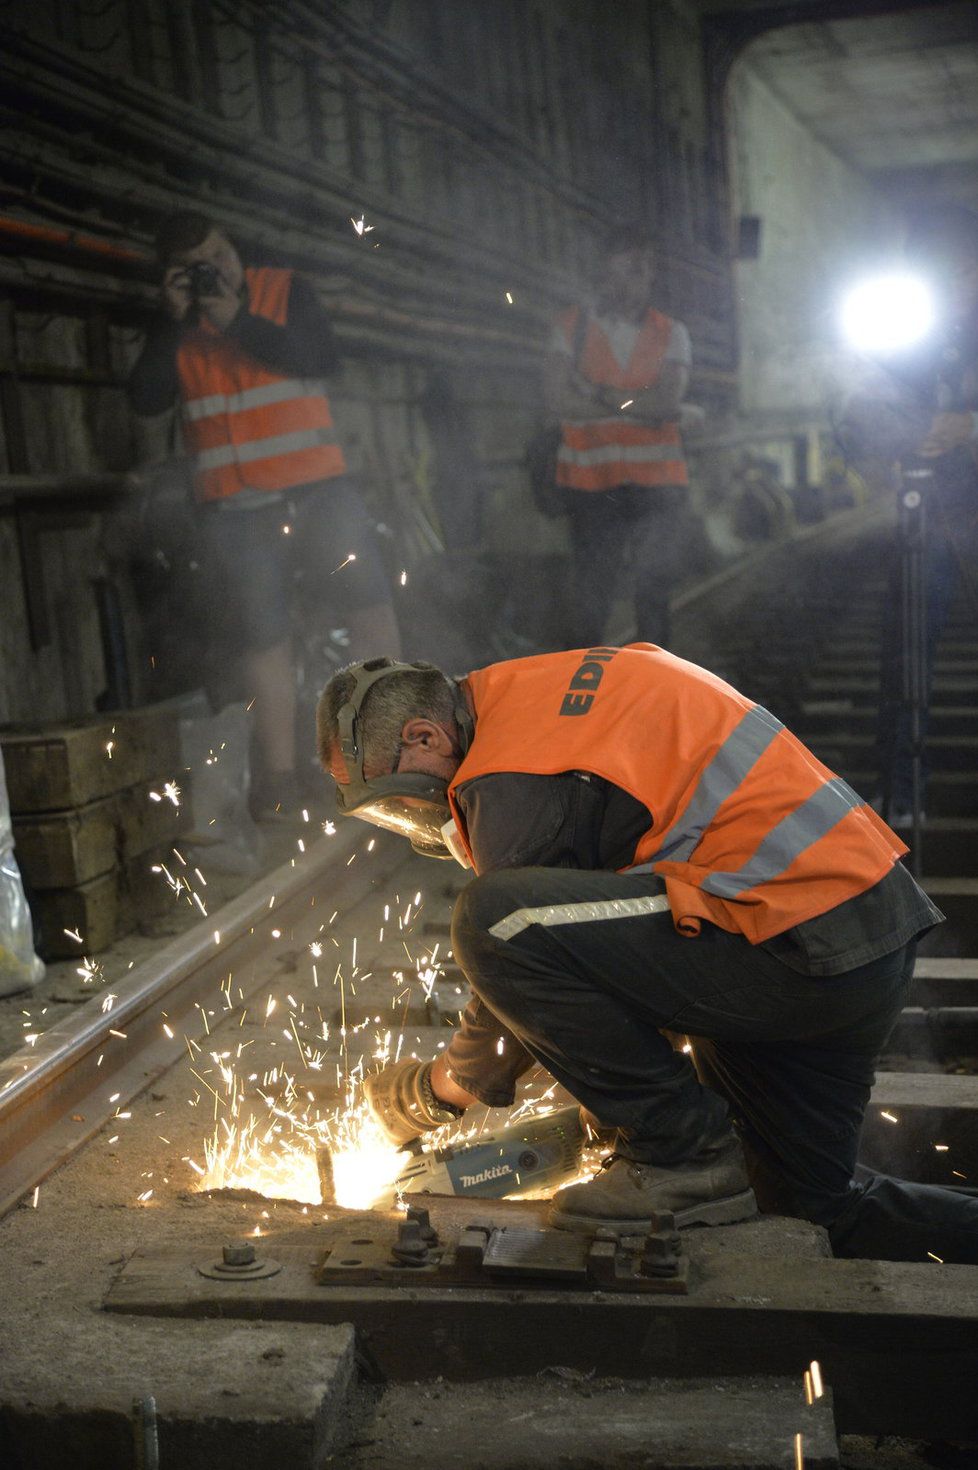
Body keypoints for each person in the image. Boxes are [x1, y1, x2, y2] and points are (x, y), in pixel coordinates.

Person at [316, 645, 978, 1263]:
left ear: (425, 738)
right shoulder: (530, 696)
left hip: (790, 941)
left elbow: (518, 960)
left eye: (395, 796)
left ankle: (679, 1156)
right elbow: (601, 939)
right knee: (808, 1209)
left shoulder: (510, 776)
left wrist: (434, 1094)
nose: (410, 814)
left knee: (496, 918)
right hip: (850, 936)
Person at [128, 209, 401, 815]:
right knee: (263, 636)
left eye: (218, 256)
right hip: (237, 508)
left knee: (369, 603)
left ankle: (387, 753)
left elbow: (322, 358)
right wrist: (173, 323)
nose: (213, 273)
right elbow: (145, 398)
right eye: (194, 269)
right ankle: (280, 782)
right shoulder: (174, 325)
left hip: (318, 490)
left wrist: (239, 322)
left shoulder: (283, 291)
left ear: (234, 248)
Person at [842, 205, 978, 826]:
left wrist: (969, 426)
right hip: (925, 520)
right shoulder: (905, 336)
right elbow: (854, 422)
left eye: (960, 273)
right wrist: (895, 439)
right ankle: (900, 793)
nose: (953, 286)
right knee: (905, 658)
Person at [542, 224, 695, 648]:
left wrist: (597, 393)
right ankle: (591, 697)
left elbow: (665, 403)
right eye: (628, 269)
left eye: (644, 270)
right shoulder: (570, 327)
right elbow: (557, 401)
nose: (638, 280)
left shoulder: (672, 332)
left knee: (653, 595)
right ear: (604, 273)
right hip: (592, 487)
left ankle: (655, 689)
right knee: (592, 600)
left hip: (658, 487)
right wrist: (634, 404)